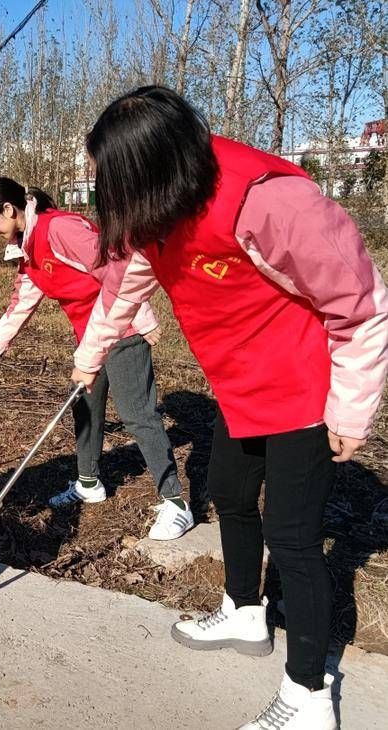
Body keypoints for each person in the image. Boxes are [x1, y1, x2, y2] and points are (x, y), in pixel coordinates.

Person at [72, 86, 388, 729]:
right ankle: (246, 612)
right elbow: (123, 288)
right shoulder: (152, 211)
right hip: (238, 383)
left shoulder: (267, 200)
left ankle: (309, 695)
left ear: (157, 168)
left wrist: (352, 411)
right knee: (230, 494)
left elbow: (360, 305)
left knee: (296, 540)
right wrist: (91, 354)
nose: (108, 195)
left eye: (114, 180)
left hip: (303, 389)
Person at [0, 177, 193, 541]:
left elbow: (116, 266)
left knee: (137, 414)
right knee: (84, 406)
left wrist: (141, 316)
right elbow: (23, 300)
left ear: (9, 210)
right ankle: (88, 483)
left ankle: (175, 502)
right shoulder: (26, 248)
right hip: (88, 340)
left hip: (121, 330)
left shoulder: (59, 229)